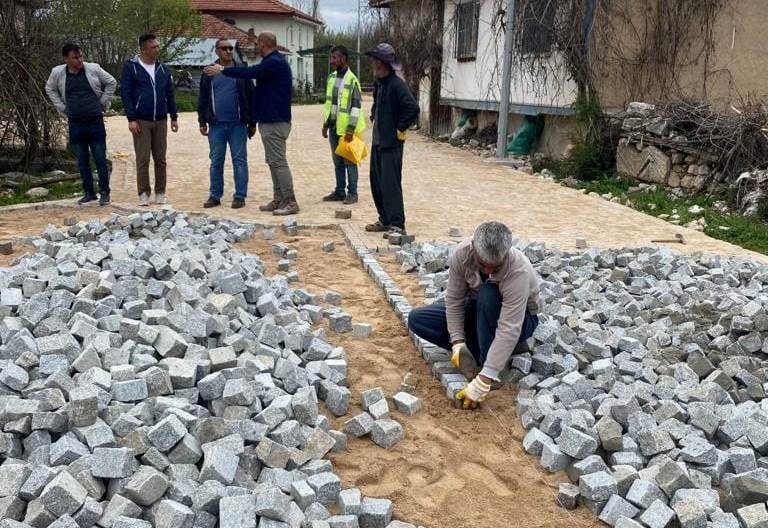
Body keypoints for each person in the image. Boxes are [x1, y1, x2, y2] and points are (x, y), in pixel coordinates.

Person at [407, 222, 541, 409]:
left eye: (494, 268)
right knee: (418, 319)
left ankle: (493, 360)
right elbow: (454, 301)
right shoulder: (461, 254)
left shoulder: (519, 270)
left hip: (520, 319)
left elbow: (509, 327)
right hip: (479, 311)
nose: (487, 271)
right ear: (474, 249)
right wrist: (457, 341)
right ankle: (484, 347)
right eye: (482, 265)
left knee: (488, 293)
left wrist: (485, 377)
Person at [204, 31, 298, 216]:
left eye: (257, 45)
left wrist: (223, 70)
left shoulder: (274, 62)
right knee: (273, 161)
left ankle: (290, 201)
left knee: (278, 162)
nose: (256, 48)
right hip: (270, 120)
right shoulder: (272, 61)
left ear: (263, 44)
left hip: (275, 121)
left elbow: (250, 73)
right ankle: (278, 199)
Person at [45, 43, 116, 206]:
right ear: (66, 59)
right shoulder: (58, 73)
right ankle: (89, 192)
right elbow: (50, 89)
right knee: (82, 159)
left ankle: (104, 192)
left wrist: (103, 102)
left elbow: (111, 82)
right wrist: (61, 107)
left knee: (99, 157)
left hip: (94, 120)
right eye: (75, 57)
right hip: (75, 122)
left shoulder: (93, 68)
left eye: (81, 57)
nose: (79, 60)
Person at [364, 43, 419, 236]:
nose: (373, 63)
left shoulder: (397, 85)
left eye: (375, 60)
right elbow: (376, 105)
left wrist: (400, 128)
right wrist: (373, 114)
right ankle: (385, 219)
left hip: (391, 143)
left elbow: (412, 108)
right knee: (376, 182)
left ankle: (397, 224)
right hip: (378, 142)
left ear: (382, 63)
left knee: (390, 184)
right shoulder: (379, 84)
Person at [120, 33, 179, 206]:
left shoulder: (163, 69)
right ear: (143, 49)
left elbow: (170, 94)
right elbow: (126, 94)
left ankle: (160, 192)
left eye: (158, 46)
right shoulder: (131, 68)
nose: (157, 50)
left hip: (160, 119)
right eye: (154, 47)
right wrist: (131, 118)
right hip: (141, 120)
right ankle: (143, 193)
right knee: (143, 158)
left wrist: (173, 116)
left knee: (160, 158)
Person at [198, 38, 256, 209]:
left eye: (231, 48)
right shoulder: (209, 72)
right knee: (216, 161)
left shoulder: (240, 71)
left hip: (238, 125)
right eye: (224, 48)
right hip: (216, 125)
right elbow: (203, 98)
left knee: (239, 161)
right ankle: (215, 195)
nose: (228, 51)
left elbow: (251, 97)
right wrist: (202, 120)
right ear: (216, 51)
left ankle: (240, 196)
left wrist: (252, 123)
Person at [321, 45, 365, 205]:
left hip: (347, 130)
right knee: (337, 161)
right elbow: (331, 104)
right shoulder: (332, 78)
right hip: (334, 128)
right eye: (331, 57)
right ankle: (339, 191)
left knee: (350, 161)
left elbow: (356, 107)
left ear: (343, 58)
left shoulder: (352, 80)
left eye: (334, 57)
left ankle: (352, 192)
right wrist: (326, 125)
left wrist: (350, 130)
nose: (331, 61)